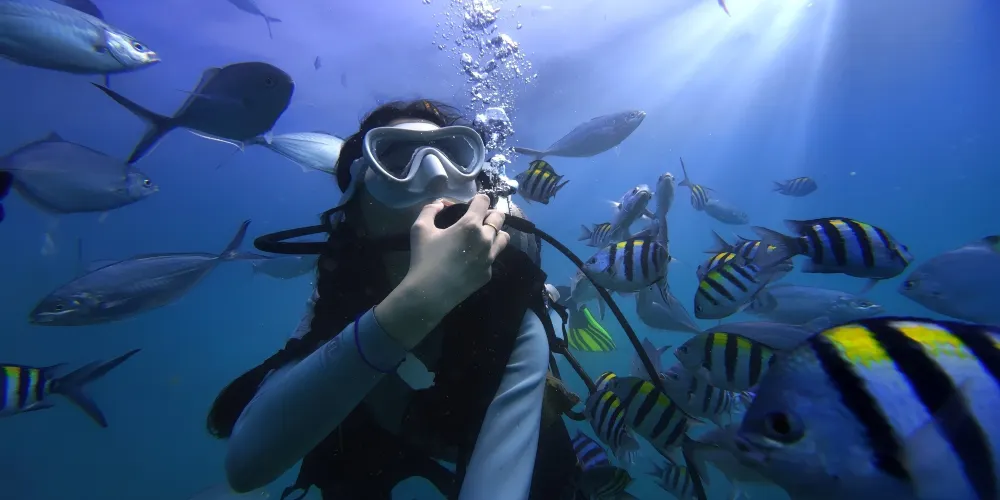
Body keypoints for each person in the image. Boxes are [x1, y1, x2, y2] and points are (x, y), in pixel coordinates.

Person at [205, 100, 585, 500]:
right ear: (355, 208)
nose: (437, 175)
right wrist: (417, 304)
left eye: (455, 154)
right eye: (398, 161)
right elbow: (246, 466)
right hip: (387, 415)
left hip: (472, 412)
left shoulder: (506, 276)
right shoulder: (345, 278)